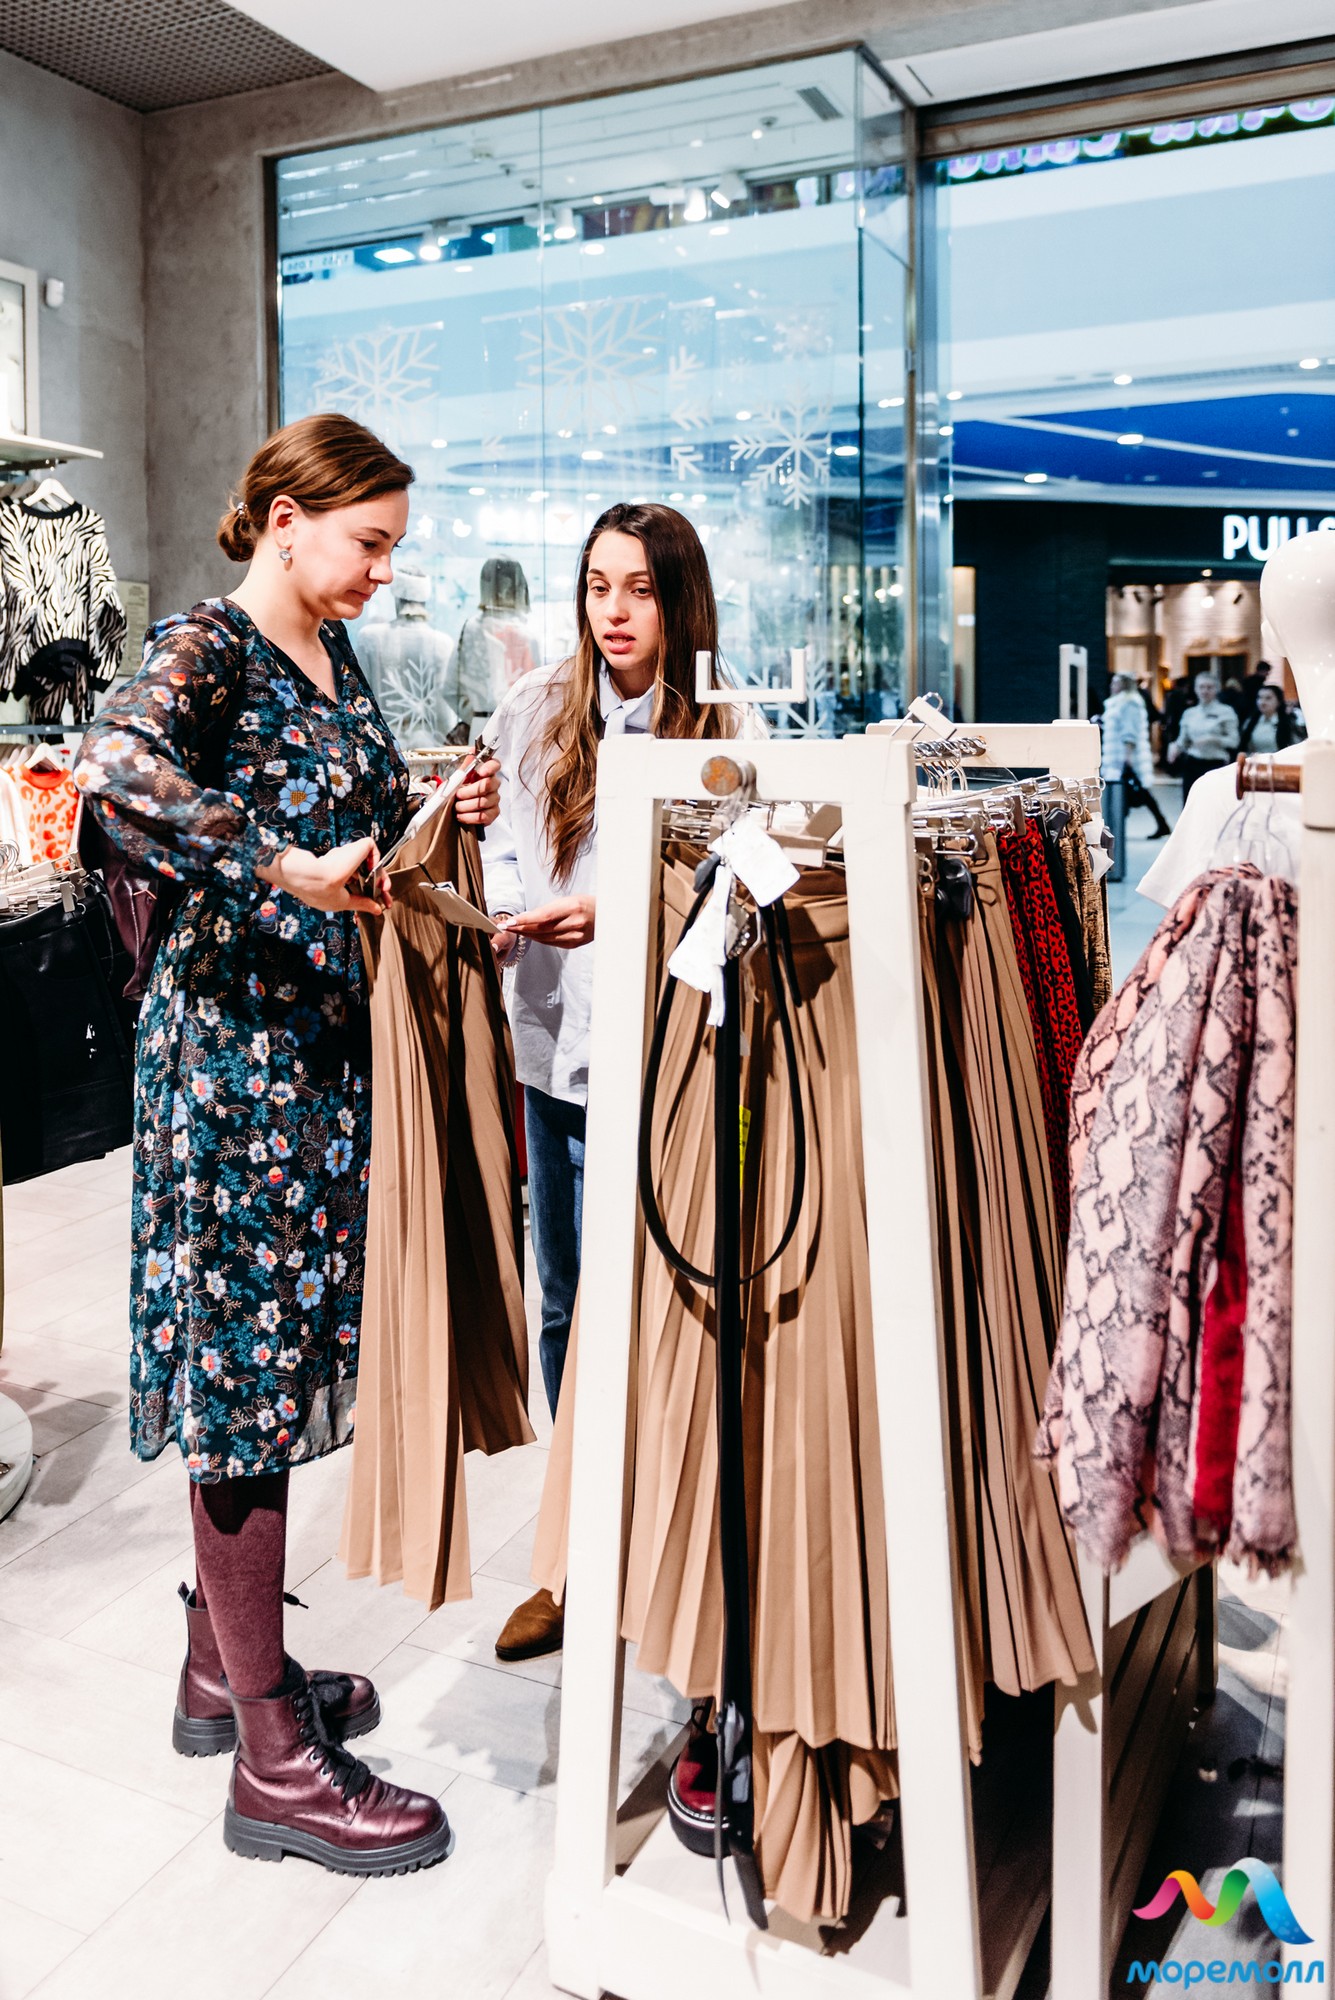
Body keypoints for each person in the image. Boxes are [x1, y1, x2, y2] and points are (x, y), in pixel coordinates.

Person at [74, 413, 501, 1878]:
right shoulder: (208, 646)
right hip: (234, 1073)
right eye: (368, 542)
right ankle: (272, 1758)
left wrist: (430, 807)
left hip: (312, 1068)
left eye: (392, 548)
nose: (381, 570)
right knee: (249, 1384)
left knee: (280, 1358)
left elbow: (350, 822)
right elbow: (113, 765)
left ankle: (224, 1666)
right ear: (283, 518)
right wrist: (270, 860)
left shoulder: (331, 653)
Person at [481, 501, 761, 1664]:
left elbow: (757, 879)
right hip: (553, 1043)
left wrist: (629, 909)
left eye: (639, 588)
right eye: (598, 585)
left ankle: (659, 1534)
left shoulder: (726, 716)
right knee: (563, 1297)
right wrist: (506, 909)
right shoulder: (535, 706)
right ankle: (574, 1548)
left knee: (658, 1302)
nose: (614, 610)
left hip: (667, 1059)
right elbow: (504, 847)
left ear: (678, 597)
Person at [452, 556, 537, 728]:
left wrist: (477, 716)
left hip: (481, 724)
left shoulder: (471, 629)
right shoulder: (528, 634)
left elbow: (450, 689)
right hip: (517, 726)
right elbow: (537, 694)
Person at [1099, 672, 1170, 837]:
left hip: (1124, 755)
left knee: (1128, 791)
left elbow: (1129, 730)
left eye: (1116, 683)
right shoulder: (1118, 703)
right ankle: (1160, 824)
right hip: (1118, 755)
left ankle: (1116, 829)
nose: (1112, 686)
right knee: (1136, 792)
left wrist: (1128, 755)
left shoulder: (1129, 703)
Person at [1165, 671, 1239, 797]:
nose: (1205, 691)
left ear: (1216, 689)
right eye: (1201, 687)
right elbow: (1182, 741)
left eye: (1209, 687)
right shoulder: (1189, 713)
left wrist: (1213, 739)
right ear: (1195, 689)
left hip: (1216, 764)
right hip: (1192, 764)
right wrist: (1174, 747)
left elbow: (1234, 741)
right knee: (1191, 803)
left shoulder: (1226, 712)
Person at [1240, 680, 1304, 754]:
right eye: (1259, 698)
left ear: (1279, 701)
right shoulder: (1250, 722)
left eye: (1268, 698)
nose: (1262, 702)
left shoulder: (1288, 722)